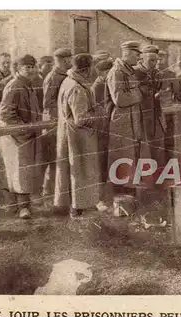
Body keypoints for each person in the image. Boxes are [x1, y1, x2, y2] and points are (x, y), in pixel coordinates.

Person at [54, 54, 101, 221]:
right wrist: (98, 116)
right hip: (77, 137)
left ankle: (76, 207)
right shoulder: (76, 88)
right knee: (78, 171)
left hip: (70, 134)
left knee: (73, 171)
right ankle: (76, 210)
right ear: (87, 69)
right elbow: (80, 118)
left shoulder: (68, 81)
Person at [0, 54, 43, 220]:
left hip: (27, 135)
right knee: (18, 172)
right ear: (18, 68)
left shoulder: (27, 85)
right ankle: (22, 207)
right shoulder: (15, 86)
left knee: (24, 172)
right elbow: (5, 113)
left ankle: (23, 205)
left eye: (33, 67)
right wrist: (23, 129)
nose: (31, 70)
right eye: (27, 67)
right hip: (16, 137)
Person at [106, 41, 143, 195]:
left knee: (130, 155)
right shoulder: (117, 72)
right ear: (127, 53)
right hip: (121, 120)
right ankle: (121, 194)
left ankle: (129, 192)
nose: (138, 58)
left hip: (130, 118)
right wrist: (138, 95)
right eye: (136, 54)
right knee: (121, 156)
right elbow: (119, 99)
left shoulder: (128, 71)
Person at [41, 48, 72, 200]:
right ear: (64, 60)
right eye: (68, 59)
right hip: (53, 123)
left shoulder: (63, 75)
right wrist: (59, 118)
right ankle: (48, 193)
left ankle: (58, 192)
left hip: (60, 122)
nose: (70, 61)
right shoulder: (53, 77)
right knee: (53, 158)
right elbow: (48, 103)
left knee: (59, 158)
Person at [133, 45, 167, 176]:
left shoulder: (156, 73)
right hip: (140, 114)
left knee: (157, 144)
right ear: (142, 58)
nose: (154, 63)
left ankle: (156, 174)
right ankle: (141, 175)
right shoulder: (134, 73)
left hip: (155, 114)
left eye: (156, 60)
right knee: (141, 146)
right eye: (151, 60)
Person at [91, 59, 114, 212]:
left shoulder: (105, 83)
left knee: (106, 163)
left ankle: (105, 195)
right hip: (100, 129)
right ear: (104, 72)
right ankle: (98, 198)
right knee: (99, 164)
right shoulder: (98, 86)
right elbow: (99, 109)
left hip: (107, 128)